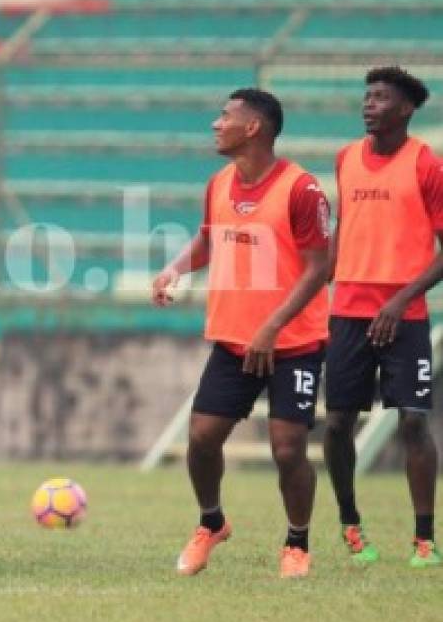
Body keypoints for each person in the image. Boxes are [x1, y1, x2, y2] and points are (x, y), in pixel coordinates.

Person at [153, 89, 331, 579]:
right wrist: (175, 268)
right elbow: (209, 238)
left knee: (288, 448)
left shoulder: (302, 189)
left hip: (293, 343)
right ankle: (212, 523)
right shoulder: (218, 184)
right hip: (234, 340)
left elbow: (321, 268)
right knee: (202, 437)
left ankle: (297, 544)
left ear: (253, 127)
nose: (216, 124)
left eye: (225, 116)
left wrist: (272, 326)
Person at [324, 66, 442, 568]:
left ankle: (424, 539)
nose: (369, 104)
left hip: (404, 314)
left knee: (413, 422)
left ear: (407, 108)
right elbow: (345, 231)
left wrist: (399, 300)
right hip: (347, 311)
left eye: (380, 97)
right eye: (366, 96)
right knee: (336, 424)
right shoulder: (346, 158)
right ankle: (351, 526)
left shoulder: (426, 165)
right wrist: (316, 287)